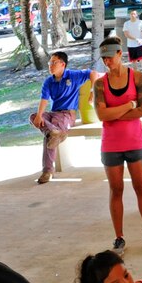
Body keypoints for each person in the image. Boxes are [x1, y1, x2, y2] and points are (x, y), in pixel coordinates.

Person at [94, 36, 142, 256]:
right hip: (110, 145)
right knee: (116, 189)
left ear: (120, 54)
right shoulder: (100, 83)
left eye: (110, 57)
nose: (107, 62)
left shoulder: (137, 77)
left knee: (140, 186)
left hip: (135, 141)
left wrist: (114, 113)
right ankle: (119, 237)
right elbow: (101, 114)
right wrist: (127, 106)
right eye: (103, 58)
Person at [30, 51, 98, 185]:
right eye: (50, 63)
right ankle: (53, 132)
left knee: (51, 133)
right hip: (53, 113)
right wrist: (39, 116)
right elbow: (44, 99)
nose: (50, 65)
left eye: (54, 63)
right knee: (34, 117)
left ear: (63, 64)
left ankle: (47, 171)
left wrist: (93, 91)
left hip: (67, 114)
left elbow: (93, 73)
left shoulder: (73, 75)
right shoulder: (48, 82)